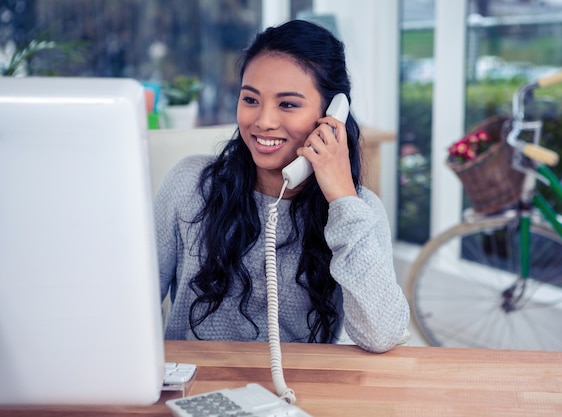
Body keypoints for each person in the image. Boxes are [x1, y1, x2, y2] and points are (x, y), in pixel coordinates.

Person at [155, 19, 409, 353]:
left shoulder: (359, 209)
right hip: (195, 390)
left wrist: (341, 197)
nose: (263, 121)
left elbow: (382, 334)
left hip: (298, 395)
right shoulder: (189, 184)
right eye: (250, 99)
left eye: (288, 104)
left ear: (333, 115)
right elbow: (127, 306)